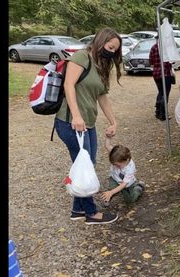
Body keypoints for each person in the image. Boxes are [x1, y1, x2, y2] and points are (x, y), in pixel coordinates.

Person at [55, 27, 121, 225]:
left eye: (114, 50)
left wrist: (113, 121)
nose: (111, 52)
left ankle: (77, 209)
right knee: (85, 167)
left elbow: (102, 95)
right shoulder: (82, 57)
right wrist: (76, 115)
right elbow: (68, 85)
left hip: (88, 124)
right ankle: (91, 213)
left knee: (87, 165)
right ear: (101, 41)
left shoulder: (101, 65)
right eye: (110, 47)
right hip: (70, 123)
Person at [99, 136, 145, 206]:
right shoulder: (115, 155)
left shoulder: (130, 168)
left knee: (130, 200)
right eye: (113, 164)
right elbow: (107, 145)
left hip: (127, 184)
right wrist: (108, 137)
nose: (116, 166)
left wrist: (112, 192)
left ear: (126, 160)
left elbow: (124, 184)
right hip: (114, 178)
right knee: (111, 188)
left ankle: (139, 188)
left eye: (118, 165)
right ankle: (108, 197)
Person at [149, 38, 175, 121]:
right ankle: (163, 114)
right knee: (165, 94)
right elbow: (171, 61)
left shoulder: (153, 47)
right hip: (165, 73)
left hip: (156, 73)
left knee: (160, 92)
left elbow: (151, 61)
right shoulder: (166, 48)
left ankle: (157, 111)